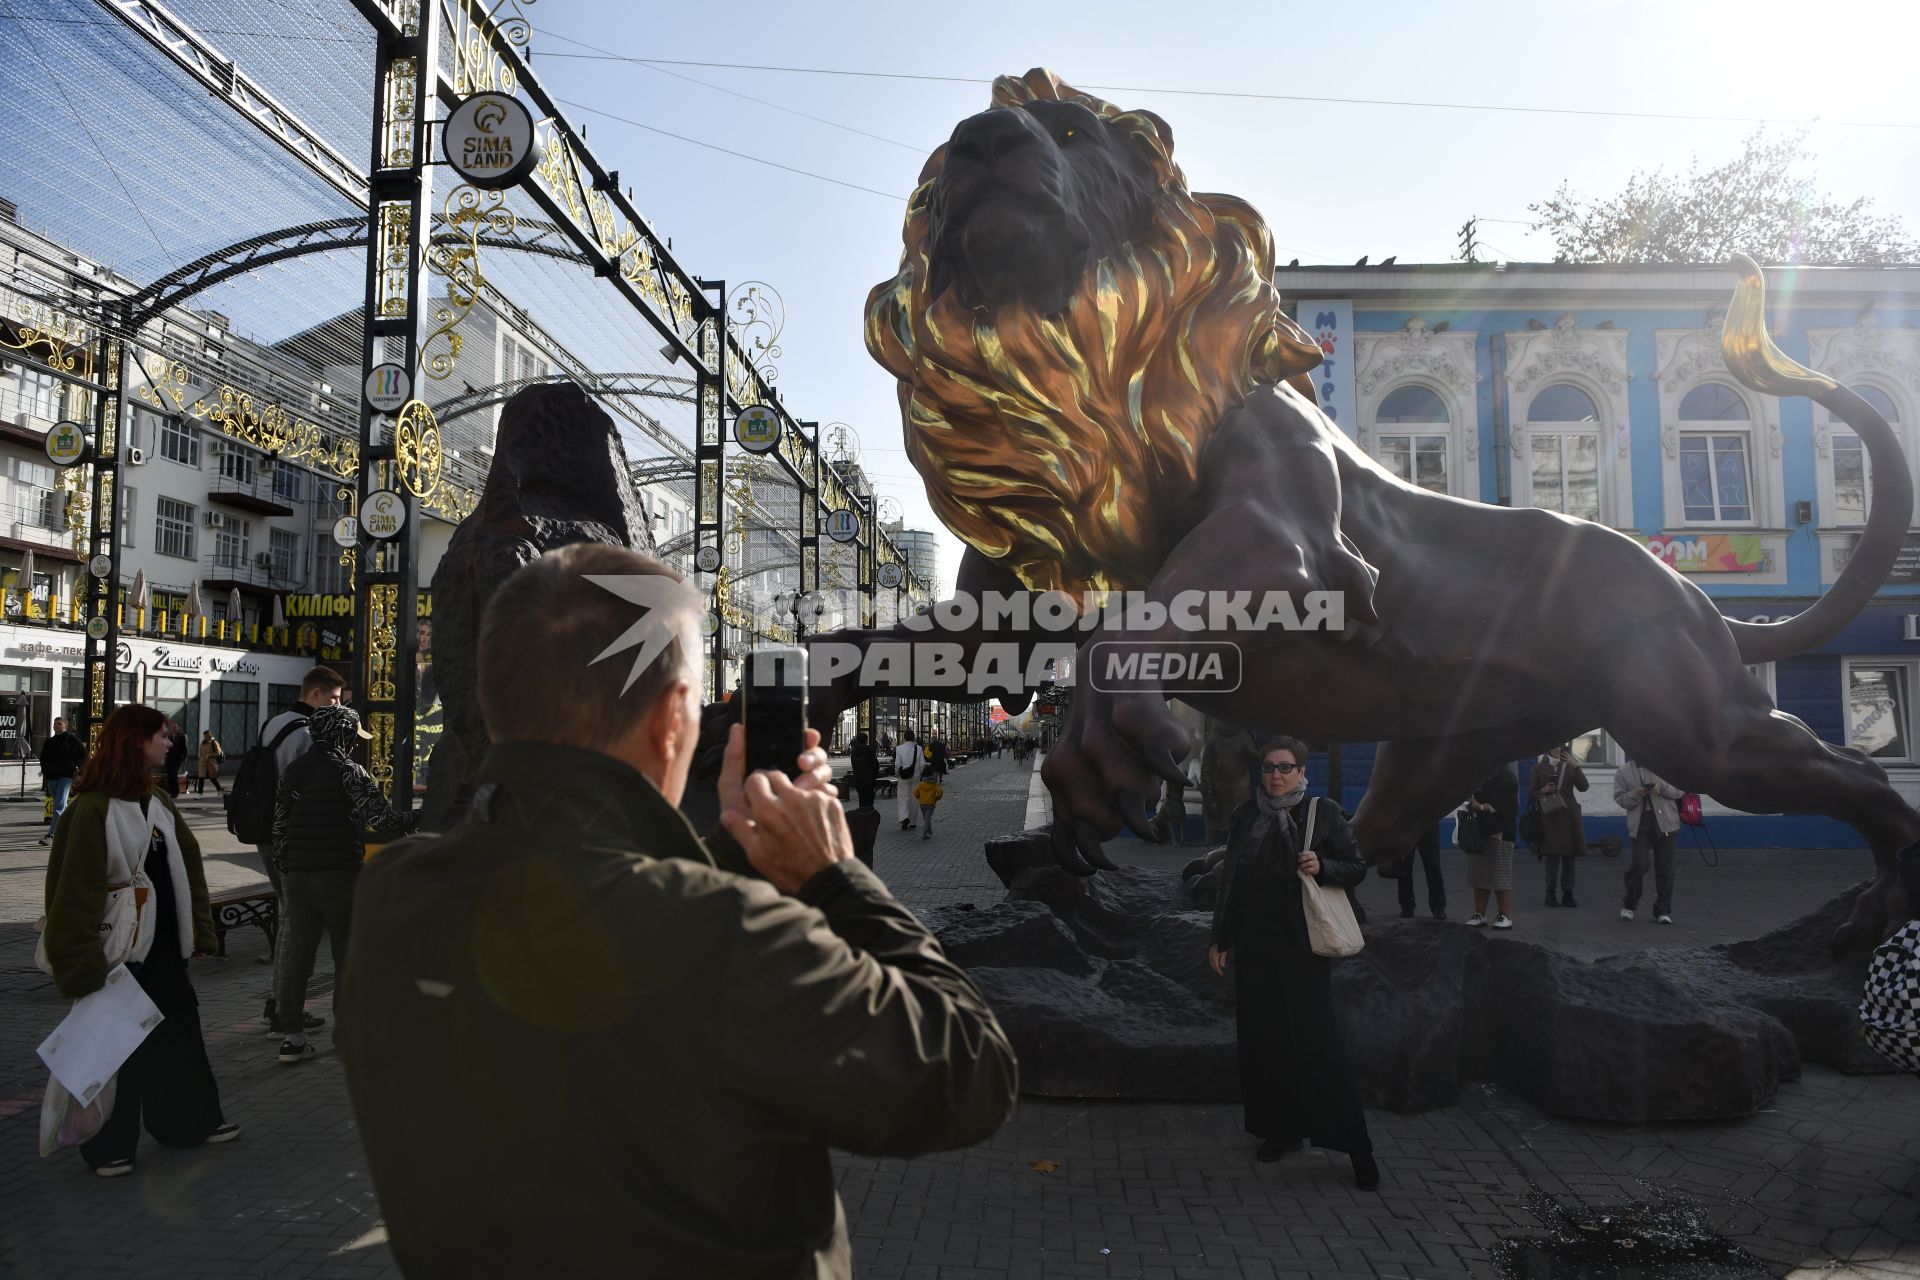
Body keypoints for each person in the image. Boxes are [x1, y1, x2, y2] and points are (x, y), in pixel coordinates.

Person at [335, 544, 1017, 1277]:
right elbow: (969, 1073)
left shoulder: (393, 894)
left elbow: (594, 927)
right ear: (670, 721)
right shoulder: (732, 934)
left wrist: (725, 852)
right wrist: (833, 875)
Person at [39, 704, 240, 1176]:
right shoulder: (91, 809)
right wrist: (79, 963)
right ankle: (109, 1146)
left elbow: (187, 867)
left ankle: (188, 1124)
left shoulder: (159, 801)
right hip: (119, 955)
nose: (170, 743)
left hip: (166, 949)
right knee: (116, 1048)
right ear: (135, 742)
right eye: (161, 736)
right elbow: (71, 892)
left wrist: (201, 933)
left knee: (180, 1039)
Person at [1205, 735, 1378, 1190]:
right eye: (1268, 768)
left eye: (1284, 768)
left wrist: (1324, 865)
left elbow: (1356, 866)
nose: (1275, 776)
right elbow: (1232, 885)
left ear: (1303, 772)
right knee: (1264, 1041)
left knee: (1319, 1043)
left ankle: (1355, 1146)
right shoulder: (1246, 816)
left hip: (1302, 945)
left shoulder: (1323, 814)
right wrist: (1221, 937)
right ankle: (1281, 1131)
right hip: (1255, 943)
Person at [270, 705, 415, 1066]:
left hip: (300, 880)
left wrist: (291, 869)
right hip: (341, 877)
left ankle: (291, 1036)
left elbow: (279, 829)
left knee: (297, 957)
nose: (354, 745)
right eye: (353, 737)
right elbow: (382, 819)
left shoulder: (294, 771)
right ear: (343, 736)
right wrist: (417, 819)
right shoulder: (349, 771)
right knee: (347, 955)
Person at [255, 665, 347, 1034]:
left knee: (290, 918)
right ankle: (282, 1009)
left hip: (264, 830)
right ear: (315, 695)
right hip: (293, 837)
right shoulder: (309, 733)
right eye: (335, 699)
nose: (337, 706)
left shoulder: (273, 724)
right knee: (295, 925)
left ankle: (279, 1004)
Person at [1615, 757, 1685, 923]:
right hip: (1639, 823)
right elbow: (1620, 799)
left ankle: (1663, 910)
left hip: (1666, 822)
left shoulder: (1666, 766)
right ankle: (1629, 904)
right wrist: (1636, 793)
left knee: (1666, 868)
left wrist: (1660, 788)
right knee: (1639, 865)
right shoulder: (1623, 771)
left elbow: (1680, 791)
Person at [1531, 744, 1588, 908]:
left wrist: (1576, 766)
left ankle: (1568, 894)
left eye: (1561, 746)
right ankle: (1550, 893)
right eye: (1555, 746)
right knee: (1553, 857)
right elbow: (1532, 794)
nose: (1559, 749)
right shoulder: (1538, 768)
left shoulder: (1570, 765)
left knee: (1570, 858)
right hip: (1550, 816)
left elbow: (1584, 787)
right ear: (1548, 749)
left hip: (1570, 815)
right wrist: (1543, 790)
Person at [1466, 765, 1518, 929]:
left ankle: (1504, 915)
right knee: (1479, 874)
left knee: (1500, 875)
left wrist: (1480, 807)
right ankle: (1479, 914)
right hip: (1479, 832)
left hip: (1500, 833)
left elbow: (1508, 806)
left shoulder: (1507, 778)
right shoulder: (1479, 776)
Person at [1200, 718, 1260, 845]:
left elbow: (1206, 763)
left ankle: (1211, 842)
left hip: (1217, 785)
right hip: (1239, 787)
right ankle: (1235, 844)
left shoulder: (1214, 734)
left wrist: (1206, 785)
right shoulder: (1243, 734)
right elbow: (1256, 754)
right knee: (1238, 818)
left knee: (1215, 817)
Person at [37, 716, 85, 845]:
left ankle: (51, 835)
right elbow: (43, 758)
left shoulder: (72, 741)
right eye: (55, 724)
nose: (57, 726)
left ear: (65, 726)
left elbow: (83, 756)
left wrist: (79, 772)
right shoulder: (49, 742)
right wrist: (45, 771)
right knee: (62, 806)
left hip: (66, 776)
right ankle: (73, 828)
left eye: (59, 724)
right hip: (52, 777)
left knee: (59, 805)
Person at [1394, 823, 1446, 920]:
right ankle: (1407, 906)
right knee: (1404, 866)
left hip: (1426, 821)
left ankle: (1438, 906)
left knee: (1432, 865)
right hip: (1408, 822)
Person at [894, 729, 922, 830]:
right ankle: (913, 822)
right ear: (914, 737)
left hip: (903, 777)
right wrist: (919, 774)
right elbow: (922, 764)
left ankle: (904, 817)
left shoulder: (899, 748)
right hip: (915, 777)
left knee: (903, 797)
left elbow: (897, 764)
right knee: (914, 799)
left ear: (904, 737)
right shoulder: (918, 748)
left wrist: (898, 775)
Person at [848, 731, 878, 810]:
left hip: (858, 779)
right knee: (869, 800)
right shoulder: (869, 750)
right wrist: (875, 776)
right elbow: (875, 765)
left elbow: (853, 764)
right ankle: (869, 817)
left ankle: (862, 817)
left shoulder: (853, 752)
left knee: (861, 799)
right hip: (869, 779)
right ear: (866, 740)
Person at [195, 729, 225, 796]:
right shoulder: (203, 743)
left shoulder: (214, 742)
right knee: (201, 778)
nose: (205, 737)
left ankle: (219, 790)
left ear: (209, 735)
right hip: (203, 764)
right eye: (204, 736)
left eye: (206, 736)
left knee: (213, 779)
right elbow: (200, 752)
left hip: (211, 764)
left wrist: (209, 755)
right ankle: (199, 794)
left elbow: (218, 753)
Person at [914, 772, 944, 839]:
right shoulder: (934, 785)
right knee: (927, 819)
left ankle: (929, 830)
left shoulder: (920, 785)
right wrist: (936, 798)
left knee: (926, 818)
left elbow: (915, 792)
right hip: (930, 804)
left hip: (922, 803)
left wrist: (919, 797)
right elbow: (940, 792)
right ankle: (924, 833)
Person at [161, 722, 187, 797]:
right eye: (173, 727)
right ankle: (172, 791)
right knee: (170, 775)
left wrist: (183, 758)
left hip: (177, 759)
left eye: (175, 727)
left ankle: (176, 792)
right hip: (169, 759)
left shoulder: (182, 736)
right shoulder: (170, 736)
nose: (174, 728)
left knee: (174, 775)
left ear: (178, 728)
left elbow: (184, 748)